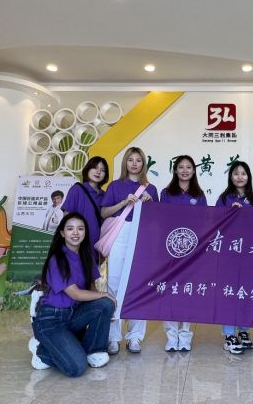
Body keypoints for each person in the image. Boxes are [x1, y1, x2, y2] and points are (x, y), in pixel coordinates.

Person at [30, 213, 116, 377]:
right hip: (52, 320)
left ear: (85, 232)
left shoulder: (86, 256)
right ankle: (42, 350)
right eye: (70, 229)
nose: (75, 233)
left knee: (105, 304)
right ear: (62, 233)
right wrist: (104, 294)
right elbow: (76, 294)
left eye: (80, 229)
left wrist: (106, 308)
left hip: (74, 315)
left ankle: (93, 351)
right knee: (77, 367)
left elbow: (92, 289)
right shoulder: (57, 259)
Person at [101, 147, 159, 355]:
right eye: (130, 160)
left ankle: (135, 337)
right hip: (120, 235)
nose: (134, 164)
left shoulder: (151, 189)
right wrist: (125, 202)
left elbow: (157, 221)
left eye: (138, 160)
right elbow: (104, 212)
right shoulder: (115, 186)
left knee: (139, 285)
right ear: (125, 162)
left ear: (144, 164)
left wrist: (151, 204)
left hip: (142, 237)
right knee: (114, 284)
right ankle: (113, 337)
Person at [159, 155, 207, 352]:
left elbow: (205, 223)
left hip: (192, 251)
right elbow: (161, 220)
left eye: (188, 167)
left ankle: (185, 336)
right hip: (170, 250)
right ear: (175, 170)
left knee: (188, 292)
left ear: (194, 171)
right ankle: (171, 336)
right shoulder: (166, 193)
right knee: (169, 292)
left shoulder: (199, 195)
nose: (185, 170)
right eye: (181, 167)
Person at [216, 160, 253, 354]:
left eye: (243, 173)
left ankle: (244, 330)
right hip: (229, 253)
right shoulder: (224, 198)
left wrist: (247, 213)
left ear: (249, 177)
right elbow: (215, 223)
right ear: (231, 176)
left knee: (246, 291)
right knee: (229, 292)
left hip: (251, 253)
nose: (240, 177)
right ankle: (229, 334)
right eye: (236, 173)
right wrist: (230, 213)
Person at [62, 156, 109, 263]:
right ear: (88, 169)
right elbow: (66, 218)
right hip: (78, 245)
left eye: (102, 170)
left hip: (97, 248)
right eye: (95, 168)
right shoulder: (77, 189)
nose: (98, 172)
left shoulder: (105, 195)